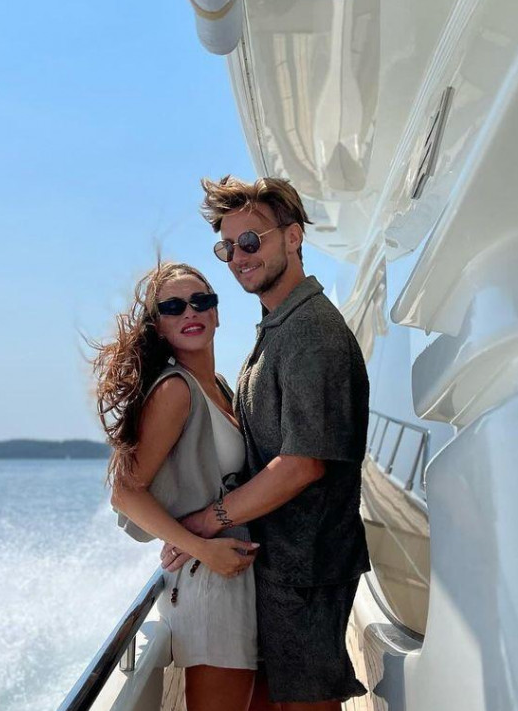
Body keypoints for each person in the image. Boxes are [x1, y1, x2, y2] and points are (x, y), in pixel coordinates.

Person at [163, 176, 371, 710]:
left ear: (293, 237)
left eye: (251, 240)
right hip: (281, 568)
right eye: (227, 248)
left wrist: (207, 522)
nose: (239, 257)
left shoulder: (311, 333)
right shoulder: (280, 325)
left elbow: (302, 464)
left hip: (308, 570)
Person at [93, 262, 260, 711]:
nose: (190, 311)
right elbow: (125, 493)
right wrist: (201, 547)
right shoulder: (176, 391)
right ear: (159, 327)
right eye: (173, 307)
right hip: (210, 579)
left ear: (217, 313)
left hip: (234, 572)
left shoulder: (219, 386)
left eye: (201, 301)